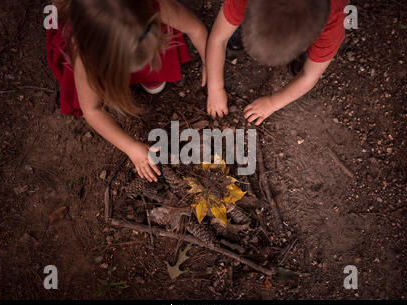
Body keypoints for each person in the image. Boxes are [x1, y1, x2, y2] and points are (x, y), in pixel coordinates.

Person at [47, 0, 208, 182]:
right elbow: (91, 110)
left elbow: (196, 29)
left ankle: (148, 71)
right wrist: (130, 146)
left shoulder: (155, 6)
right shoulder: (84, 59)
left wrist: (210, 64)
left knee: (153, 54)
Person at [206, 0, 347, 125]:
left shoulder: (334, 20)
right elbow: (218, 39)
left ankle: (311, 54)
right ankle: (238, 24)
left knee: (312, 63)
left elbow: (309, 76)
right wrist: (215, 88)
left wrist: (272, 103)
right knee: (229, 22)